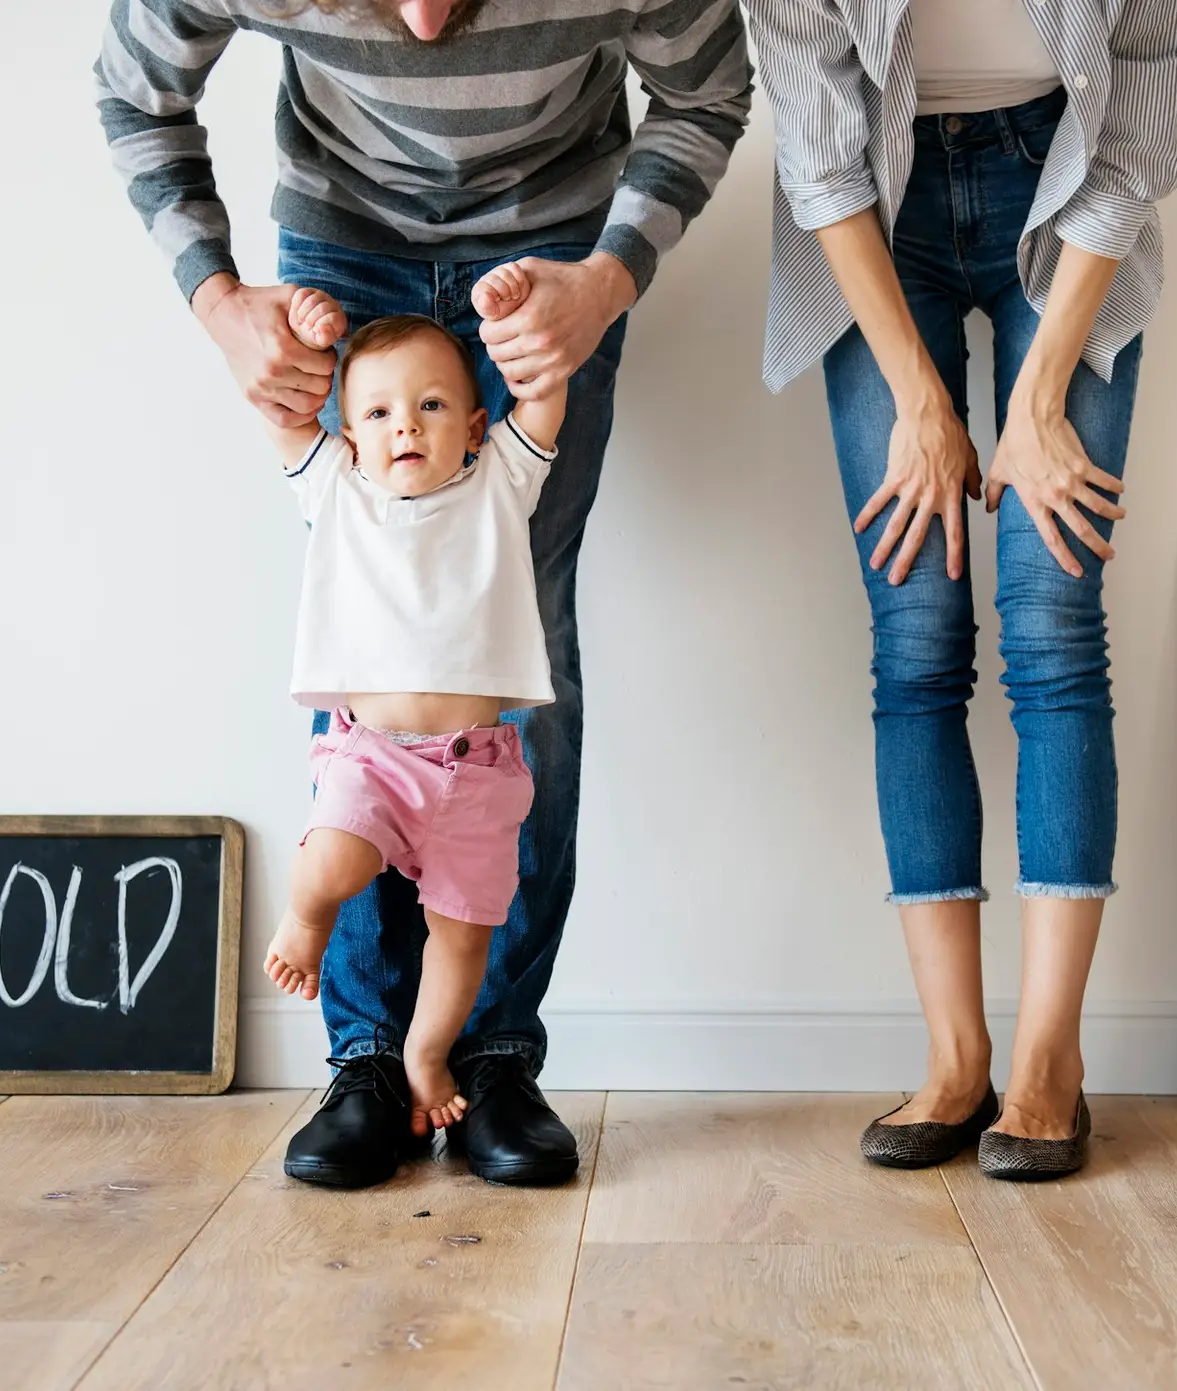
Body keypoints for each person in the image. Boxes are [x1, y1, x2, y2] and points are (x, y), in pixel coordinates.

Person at [96, 0, 751, 1187]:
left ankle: (489, 1052)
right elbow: (137, 92)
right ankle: (365, 1062)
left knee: (528, 635)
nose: (427, 21)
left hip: (552, 245)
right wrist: (219, 298)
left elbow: (709, 91)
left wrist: (607, 279)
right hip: (343, 242)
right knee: (366, 637)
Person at [746, 0, 1177, 1177]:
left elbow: (1137, 144)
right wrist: (919, 400)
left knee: (1055, 623)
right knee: (915, 634)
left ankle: (1051, 1060)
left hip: (1061, 190)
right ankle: (957, 1058)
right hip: (873, 220)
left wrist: (1040, 395)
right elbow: (818, 153)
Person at [260, 269, 563, 1170]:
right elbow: (283, 414)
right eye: (384, 413)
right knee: (335, 853)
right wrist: (312, 341)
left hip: (478, 771)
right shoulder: (338, 490)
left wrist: (513, 321)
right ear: (349, 436)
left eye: (432, 406)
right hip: (373, 755)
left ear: (474, 428)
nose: (408, 426)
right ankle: (309, 922)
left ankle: (429, 1056)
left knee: (463, 934)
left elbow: (541, 398)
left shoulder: (500, 484)